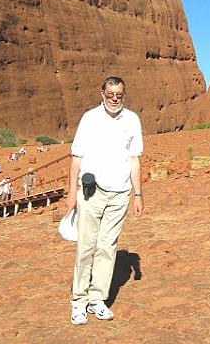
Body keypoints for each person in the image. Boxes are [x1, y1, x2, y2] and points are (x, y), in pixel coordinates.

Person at [65, 76, 144, 326]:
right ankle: (78, 302)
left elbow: (134, 160)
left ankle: (97, 299)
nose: (114, 98)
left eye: (119, 94)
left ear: (124, 94)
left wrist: (137, 194)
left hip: (120, 193)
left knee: (107, 247)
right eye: (110, 94)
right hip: (91, 192)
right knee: (86, 246)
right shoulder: (89, 118)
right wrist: (70, 194)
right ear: (102, 93)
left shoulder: (132, 120)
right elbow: (76, 157)